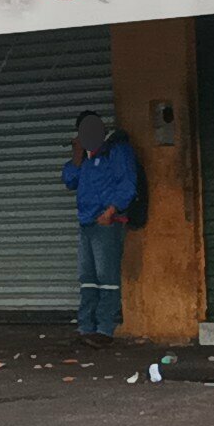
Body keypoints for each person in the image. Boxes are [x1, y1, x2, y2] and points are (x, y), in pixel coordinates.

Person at [61, 110, 138, 348]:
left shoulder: (116, 151)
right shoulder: (85, 157)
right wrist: (76, 156)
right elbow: (69, 181)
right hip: (86, 223)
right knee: (88, 278)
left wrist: (111, 210)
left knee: (107, 277)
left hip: (107, 223)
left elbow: (127, 183)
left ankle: (105, 329)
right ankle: (86, 327)